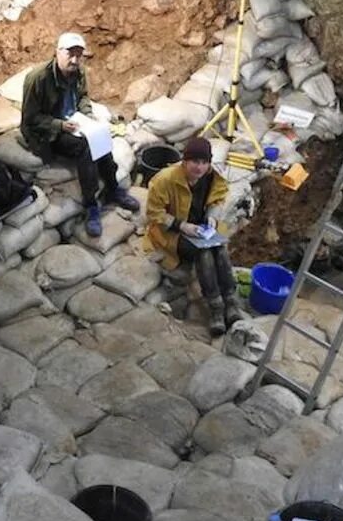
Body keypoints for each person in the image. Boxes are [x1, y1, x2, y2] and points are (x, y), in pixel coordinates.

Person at [20, 31, 139, 237]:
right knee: (86, 146)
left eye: (78, 55)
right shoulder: (38, 79)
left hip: (75, 122)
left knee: (100, 135)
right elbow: (30, 119)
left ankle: (112, 187)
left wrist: (88, 116)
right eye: (69, 54)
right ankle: (91, 205)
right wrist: (59, 125)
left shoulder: (79, 72)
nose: (74, 60)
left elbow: (83, 97)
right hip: (47, 132)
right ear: (57, 52)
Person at [144, 136, 246, 337]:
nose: (199, 168)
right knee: (204, 254)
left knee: (220, 249)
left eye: (204, 162)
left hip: (202, 229)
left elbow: (219, 197)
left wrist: (212, 217)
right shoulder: (165, 180)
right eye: (194, 162)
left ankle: (231, 302)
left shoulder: (212, 177)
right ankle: (216, 308)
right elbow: (154, 213)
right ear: (184, 161)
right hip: (172, 232)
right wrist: (182, 225)